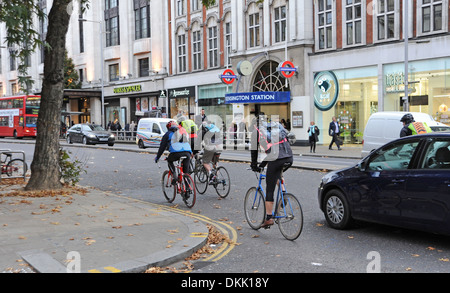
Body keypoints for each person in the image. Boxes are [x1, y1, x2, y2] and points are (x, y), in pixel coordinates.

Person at [250, 115, 293, 228]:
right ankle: (284, 194)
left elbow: (254, 151)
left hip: (276, 158)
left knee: (270, 187)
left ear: (255, 124)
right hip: (289, 157)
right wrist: (264, 163)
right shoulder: (275, 127)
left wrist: (254, 165)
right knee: (277, 175)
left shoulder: (257, 131)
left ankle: (269, 218)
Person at [155, 121, 192, 186]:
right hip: (187, 152)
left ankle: (174, 176)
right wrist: (190, 152)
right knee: (185, 172)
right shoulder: (183, 132)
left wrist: (157, 157)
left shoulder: (167, 134)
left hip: (176, 153)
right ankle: (188, 189)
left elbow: (162, 147)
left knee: (169, 160)